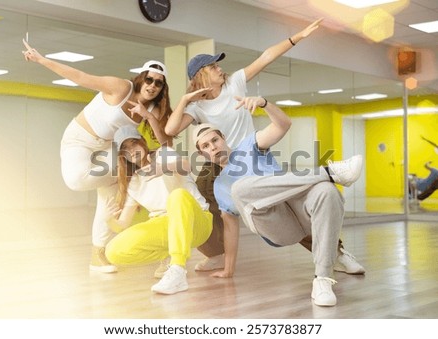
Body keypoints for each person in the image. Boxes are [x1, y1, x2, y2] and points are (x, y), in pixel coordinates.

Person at [164, 18, 365, 275]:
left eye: (218, 65)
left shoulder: (234, 83)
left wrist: (298, 37)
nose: (219, 69)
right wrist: (184, 100)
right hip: (220, 160)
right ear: (202, 75)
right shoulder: (197, 106)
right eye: (213, 66)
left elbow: (266, 57)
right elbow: (171, 130)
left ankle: (335, 253)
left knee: (287, 204)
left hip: (250, 154)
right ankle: (217, 253)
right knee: (198, 195)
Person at [193, 96, 363, 306]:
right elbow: (230, 228)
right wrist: (228, 269)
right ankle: (330, 172)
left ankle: (322, 279)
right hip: (276, 226)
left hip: (299, 207)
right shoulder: (219, 186)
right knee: (240, 188)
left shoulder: (250, 144)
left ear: (224, 138)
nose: (213, 147)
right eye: (206, 146)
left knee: (326, 191)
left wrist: (264, 104)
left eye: (215, 140)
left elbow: (283, 125)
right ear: (202, 154)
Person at [22, 40, 172, 273]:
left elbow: (166, 141)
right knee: (76, 180)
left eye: (159, 83)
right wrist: (42, 60)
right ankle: (123, 182)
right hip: (78, 140)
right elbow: (80, 76)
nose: (153, 85)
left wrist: (148, 116)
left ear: (162, 88)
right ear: (142, 78)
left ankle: (98, 254)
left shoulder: (154, 109)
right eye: (149, 79)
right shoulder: (120, 88)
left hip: (107, 146)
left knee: (111, 193)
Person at [104, 125, 213, 294]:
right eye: (125, 149)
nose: (131, 151)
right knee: (113, 251)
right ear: (122, 156)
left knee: (177, 196)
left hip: (197, 222)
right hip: (165, 225)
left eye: (134, 144)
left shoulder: (163, 154)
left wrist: (163, 167)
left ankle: (177, 269)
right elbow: (123, 224)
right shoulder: (134, 182)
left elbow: (186, 166)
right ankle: (168, 255)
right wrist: (109, 219)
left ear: (142, 142)